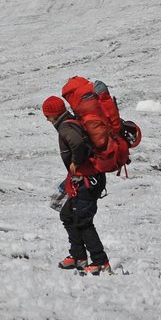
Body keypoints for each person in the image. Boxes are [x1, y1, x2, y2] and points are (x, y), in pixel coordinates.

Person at [43, 95, 110, 274]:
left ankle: (100, 262)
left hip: (88, 180)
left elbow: (78, 143)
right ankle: (78, 256)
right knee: (67, 215)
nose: (47, 120)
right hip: (87, 179)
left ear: (53, 115)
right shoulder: (71, 121)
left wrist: (76, 161)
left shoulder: (65, 127)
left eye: (47, 116)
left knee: (83, 220)